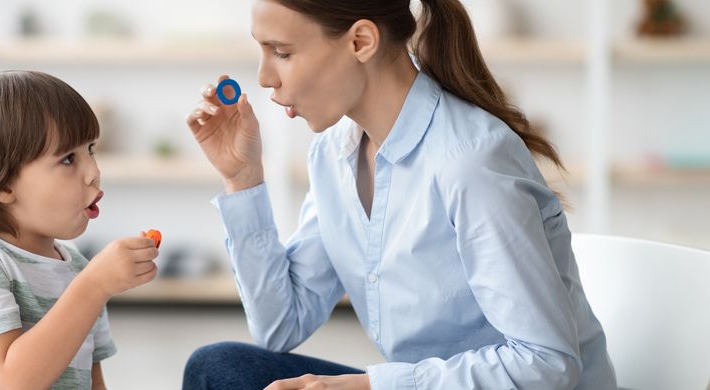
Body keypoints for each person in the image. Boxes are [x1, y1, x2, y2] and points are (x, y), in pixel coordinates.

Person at [182, 0, 617, 389]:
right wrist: (242, 179)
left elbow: (548, 366)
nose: (264, 78)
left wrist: (372, 387)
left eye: (282, 52)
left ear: (361, 41)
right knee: (217, 369)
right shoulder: (334, 155)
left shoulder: (471, 163)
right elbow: (280, 325)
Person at [0, 70, 159, 389]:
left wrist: (92, 284)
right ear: (0, 185)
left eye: (91, 150)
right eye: (69, 160)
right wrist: (94, 286)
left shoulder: (78, 270)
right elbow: (12, 380)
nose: (94, 173)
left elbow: (91, 379)